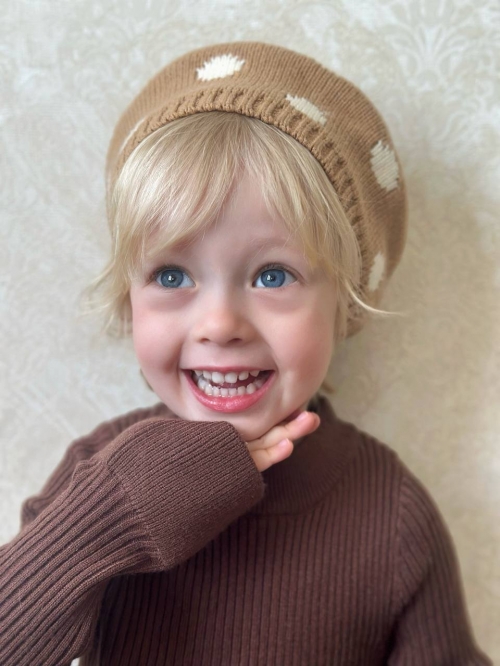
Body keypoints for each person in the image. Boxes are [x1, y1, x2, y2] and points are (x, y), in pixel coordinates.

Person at [0, 42, 491, 665]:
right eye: (173, 276)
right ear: (129, 299)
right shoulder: (99, 475)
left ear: (345, 303)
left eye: (272, 275)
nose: (220, 325)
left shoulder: (389, 511)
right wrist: (105, 522)